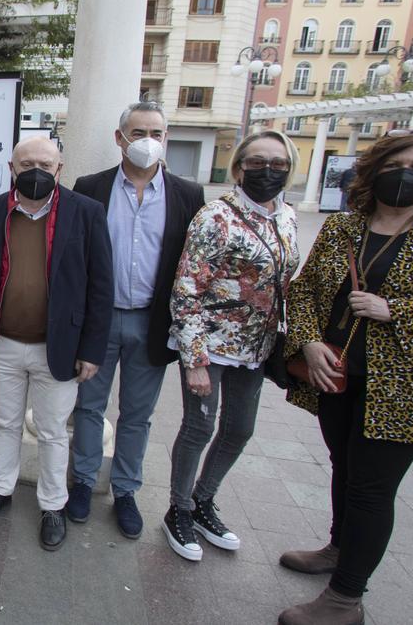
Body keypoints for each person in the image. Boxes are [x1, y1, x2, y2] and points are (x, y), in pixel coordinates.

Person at [277, 132, 413, 625]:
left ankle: (346, 598)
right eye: (397, 163)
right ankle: (337, 548)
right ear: (375, 171)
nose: (408, 173)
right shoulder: (344, 228)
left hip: (406, 387)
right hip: (336, 373)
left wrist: (397, 310)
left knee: (371, 487)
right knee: (343, 469)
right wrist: (307, 342)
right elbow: (304, 291)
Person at [0, 136, 114, 552]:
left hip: (58, 348)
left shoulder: (86, 213)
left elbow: (102, 288)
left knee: (50, 431)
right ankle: (0, 490)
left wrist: (92, 350)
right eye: (26, 163)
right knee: (5, 423)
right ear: (12, 168)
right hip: (0, 343)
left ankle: (52, 505)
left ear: (60, 169)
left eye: (45, 165)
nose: (36, 171)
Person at [68, 102, 206, 539]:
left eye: (157, 132)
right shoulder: (89, 188)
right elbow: (74, 259)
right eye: (138, 131)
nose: (148, 140)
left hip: (152, 322)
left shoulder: (188, 195)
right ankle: (84, 483)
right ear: (119, 137)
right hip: (100, 321)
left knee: (137, 415)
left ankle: (126, 490)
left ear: (166, 138)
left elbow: (192, 267)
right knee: (89, 407)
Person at [163, 130, 301, 562]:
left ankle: (205, 500)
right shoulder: (215, 217)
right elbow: (186, 288)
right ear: (239, 167)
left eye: (278, 163)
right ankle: (179, 509)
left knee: (240, 429)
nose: (267, 171)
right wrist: (195, 360)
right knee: (199, 427)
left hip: (256, 349)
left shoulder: (288, 217)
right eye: (257, 161)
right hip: (211, 344)